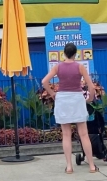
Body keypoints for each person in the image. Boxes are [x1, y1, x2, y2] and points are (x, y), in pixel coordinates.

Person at [42, 42, 99, 174]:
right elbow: (90, 85)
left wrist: (52, 94)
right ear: (75, 53)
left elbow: (44, 81)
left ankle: (69, 166)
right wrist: (90, 98)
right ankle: (91, 165)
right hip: (77, 99)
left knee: (66, 134)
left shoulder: (58, 67)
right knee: (84, 134)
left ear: (64, 53)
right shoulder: (80, 67)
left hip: (62, 99)